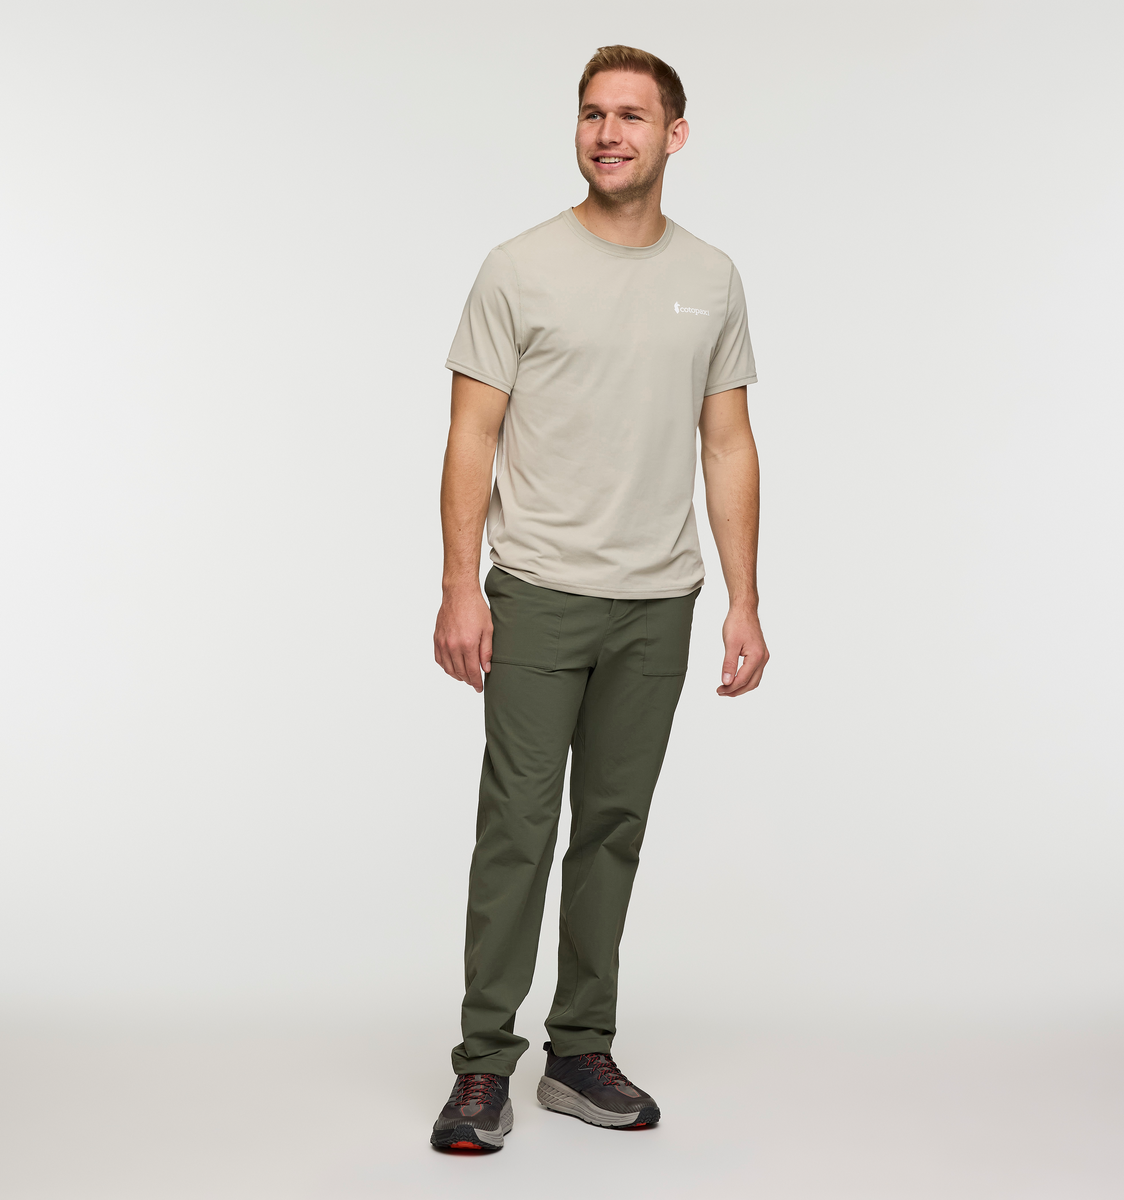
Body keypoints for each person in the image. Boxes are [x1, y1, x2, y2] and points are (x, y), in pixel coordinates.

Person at [429, 44, 768, 1152]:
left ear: (675, 135)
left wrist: (743, 600)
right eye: (591, 114)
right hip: (537, 592)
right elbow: (471, 435)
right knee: (517, 831)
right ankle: (484, 1065)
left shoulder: (711, 276)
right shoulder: (518, 268)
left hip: (658, 602)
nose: (608, 133)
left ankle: (579, 1051)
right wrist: (460, 586)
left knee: (612, 831)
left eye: (631, 115)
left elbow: (728, 441)